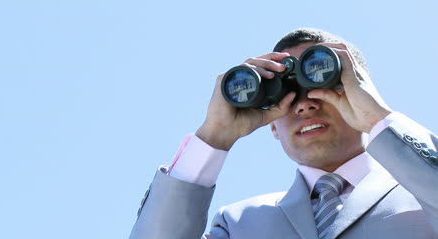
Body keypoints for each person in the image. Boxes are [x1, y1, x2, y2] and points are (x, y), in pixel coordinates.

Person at [129, 28, 438, 239]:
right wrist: (213, 136)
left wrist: (378, 118)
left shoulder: (420, 195)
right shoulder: (238, 224)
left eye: (324, 83)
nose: (303, 104)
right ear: (272, 125)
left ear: (361, 91)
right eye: (285, 93)